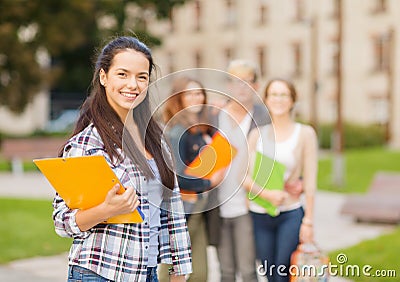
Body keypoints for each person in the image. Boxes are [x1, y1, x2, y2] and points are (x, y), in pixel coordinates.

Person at [52, 36, 192, 282]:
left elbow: (172, 212)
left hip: (147, 274)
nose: (133, 84)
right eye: (122, 74)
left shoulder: (156, 139)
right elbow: (62, 222)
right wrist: (106, 210)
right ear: (103, 77)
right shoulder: (88, 144)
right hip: (100, 273)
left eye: (142, 77)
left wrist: (178, 271)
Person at [243, 78, 317, 282]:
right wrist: (267, 194)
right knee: (268, 273)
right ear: (266, 99)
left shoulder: (305, 134)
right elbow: (244, 178)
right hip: (259, 214)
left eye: (284, 94)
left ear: (293, 100)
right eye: (274, 94)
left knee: (282, 274)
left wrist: (308, 221)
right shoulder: (257, 135)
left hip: (290, 213)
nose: (279, 99)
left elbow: (310, 182)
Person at [159, 76, 225, 281]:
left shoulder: (197, 128)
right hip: (181, 212)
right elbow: (175, 177)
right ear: (179, 98)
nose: (196, 98)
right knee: (172, 273)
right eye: (190, 94)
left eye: (199, 93)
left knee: (199, 273)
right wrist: (209, 183)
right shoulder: (178, 130)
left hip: (197, 210)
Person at [214, 59, 269, 282]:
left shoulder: (264, 118)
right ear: (228, 85)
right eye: (237, 81)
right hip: (217, 204)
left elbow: (277, 156)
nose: (242, 87)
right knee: (225, 271)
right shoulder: (214, 115)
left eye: (248, 81)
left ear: (256, 86)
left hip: (248, 204)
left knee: (248, 270)